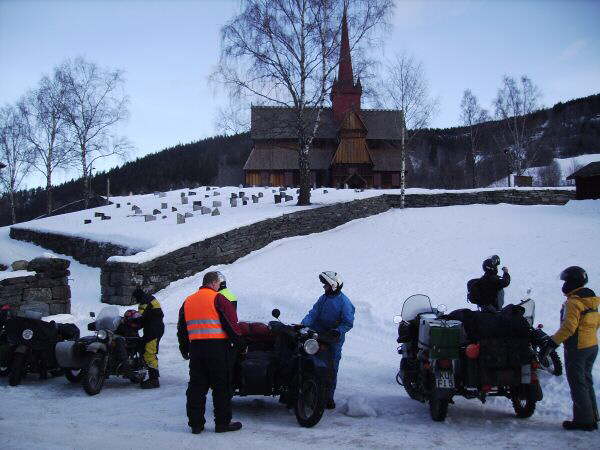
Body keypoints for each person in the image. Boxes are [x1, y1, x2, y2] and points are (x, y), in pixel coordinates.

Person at [177, 271, 244, 434]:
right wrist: (240, 344)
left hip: (196, 349)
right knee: (221, 387)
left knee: (196, 387)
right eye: (218, 284)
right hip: (217, 349)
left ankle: (196, 424)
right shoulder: (218, 298)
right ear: (214, 283)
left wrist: (184, 348)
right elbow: (231, 323)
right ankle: (222, 424)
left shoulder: (188, 301)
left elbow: (182, 328)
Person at [542, 266, 600, 431]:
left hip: (578, 347)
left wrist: (553, 342)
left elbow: (569, 327)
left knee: (578, 383)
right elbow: (596, 323)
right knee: (586, 381)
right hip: (592, 346)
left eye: (567, 281)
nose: (564, 285)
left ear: (573, 282)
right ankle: (592, 416)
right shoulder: (591, 300)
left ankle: (584, 421)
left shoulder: (574, 303)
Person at [301, 271, 355, 410]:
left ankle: (327, 398)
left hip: (333, 339)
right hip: (317, 335)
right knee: (309, 362)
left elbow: (347, 323)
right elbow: (313, 313)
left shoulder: (345, 303)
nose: (324, 288)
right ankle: (308, 393)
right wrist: (303, 325)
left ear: (333, 285)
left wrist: (337, 331)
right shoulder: (323, 298)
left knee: (330, 368)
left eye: (326, 285)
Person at [132, 287, 165, 389]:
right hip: (153, 328)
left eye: (134, 298)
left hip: (153, 330)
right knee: (143, 347)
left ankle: (154, 379)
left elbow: (140, 316)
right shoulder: (148, 298)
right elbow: (145, 317)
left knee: (149, 353)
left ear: (138, 296)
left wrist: (130, 322)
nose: (135, 300)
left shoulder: (144, 301)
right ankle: (139, 370)